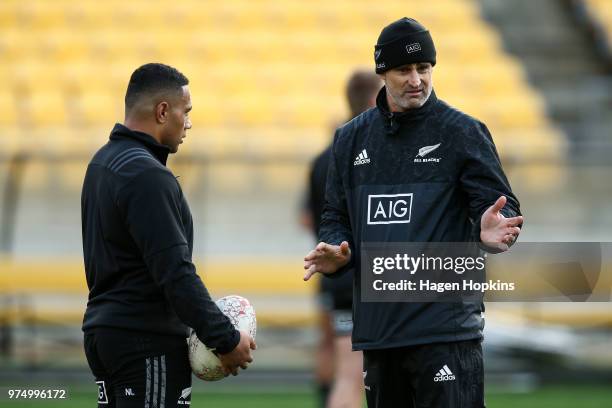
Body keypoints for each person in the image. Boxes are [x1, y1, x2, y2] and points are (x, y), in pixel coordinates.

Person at [303, 18, 523, 408]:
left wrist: (488, 229)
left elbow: (501, 207)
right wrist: (338, 247)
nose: (416, 79)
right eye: (404, 70)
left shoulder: (463, 132)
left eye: (424, 68)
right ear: (382, 73)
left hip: (446, 331)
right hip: (380, 332)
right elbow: (335, 215)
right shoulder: (351, 139)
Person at [81, 63, 255, 408]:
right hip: (145, 342)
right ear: (163, 111)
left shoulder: (102, 163)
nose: (188, 123)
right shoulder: (148, 176)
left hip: (106, 335)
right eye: (185, 111)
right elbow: (174, 272)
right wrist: (225, 339)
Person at [301, 70, 382, 408]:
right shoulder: (379, 151)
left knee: (340, 360)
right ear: (371, 100)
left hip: (334, 269)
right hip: (374, 272)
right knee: (360, 375)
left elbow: (307, 216)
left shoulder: (324, 156)